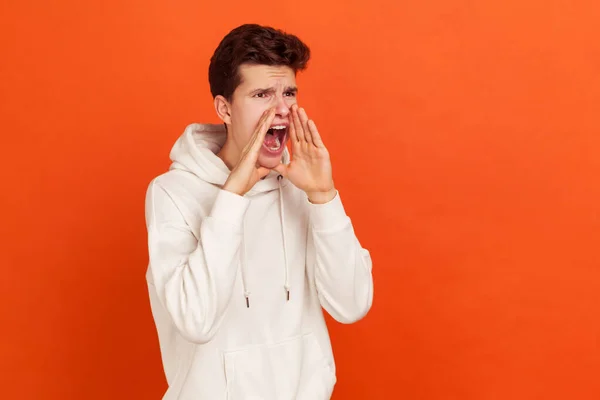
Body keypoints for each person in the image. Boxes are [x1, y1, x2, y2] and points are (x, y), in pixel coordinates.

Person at [144, 23, 374, 400]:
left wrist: (323, 195)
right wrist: (233, 195)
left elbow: (351, 305)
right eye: (262, 94)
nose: (281, 108)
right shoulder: (172, 193)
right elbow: (196, 321)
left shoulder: (302, 184)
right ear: (225, 108)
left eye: (288, 93)